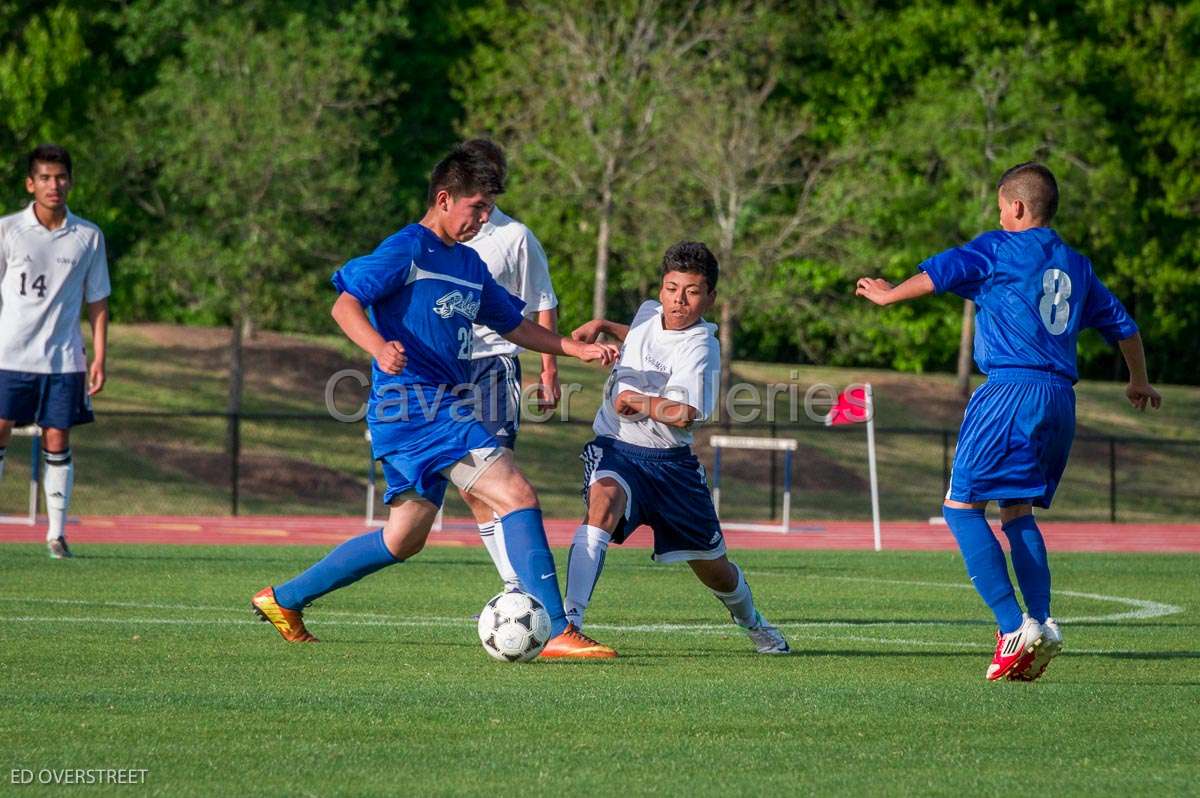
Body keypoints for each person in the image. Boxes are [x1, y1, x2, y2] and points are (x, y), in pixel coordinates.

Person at [251, 142, 619, 658]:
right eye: (477, 207)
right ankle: (557, 629)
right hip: (417, 405)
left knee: (403, 538)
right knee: (516, 493)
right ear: (444, 199)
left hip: (422, 411)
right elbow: (344, 304)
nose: (483, 217)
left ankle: (283, 599)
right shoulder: (407, 248)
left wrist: (572, 349)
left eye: (489, 208)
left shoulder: (468, 263)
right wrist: (379, 348)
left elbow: (512, 325)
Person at [855, 161, 1161, 681]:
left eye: (1001, 209)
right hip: (1060, 399)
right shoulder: (1077, 265)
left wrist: (887, 294)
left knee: (960, 508)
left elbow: (939, 275)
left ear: (1016, 207)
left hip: (1009, 392)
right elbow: (1124, 327)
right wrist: (1139, 381)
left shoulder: (998, 249)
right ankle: (1041, 623)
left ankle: (1011, 626)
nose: (998, 218)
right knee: (1016, 510)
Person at [563, 241, 791, 655]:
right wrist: (602, 324)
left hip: (671, 468)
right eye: (671, 288)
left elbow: (686, 414)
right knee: (602, 501)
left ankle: (753, 622)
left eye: (691, 292)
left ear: (710, 297)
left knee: (715, 571)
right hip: (618, 448)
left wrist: (639, 402)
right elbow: (644, 335)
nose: (678, 301)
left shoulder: (702, 347)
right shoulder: (651, 310)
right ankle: (568, 624)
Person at [456, 139, 560, 592]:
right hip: (449, 369)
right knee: (470, 487)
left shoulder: (514, 236)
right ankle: (513, 586)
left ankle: (523, 591)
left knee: (497, 475)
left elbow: (542, 302)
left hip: (496, 365)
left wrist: (549, 372)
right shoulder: (442, 239)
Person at [0, 144, 110, 559]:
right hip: (8, 355)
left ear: (70, 182)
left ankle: (57, 534)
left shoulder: (88, 236)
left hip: (63, 358)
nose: (54, 185)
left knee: (57, 437)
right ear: (31, 183)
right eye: (45, 178)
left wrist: (100, 356)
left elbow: (97, 300)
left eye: (60, 177)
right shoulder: (8, 230)